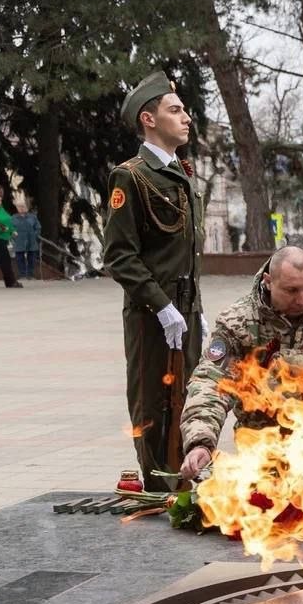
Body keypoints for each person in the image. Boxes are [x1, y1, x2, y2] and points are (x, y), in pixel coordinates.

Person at [178, 246, 303, 479]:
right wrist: (201, 441)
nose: (302, 299)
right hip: (259, 445)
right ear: (269, 281)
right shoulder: (238, 322)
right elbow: (210, 383)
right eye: (291, 290)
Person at [103, 71, 205, 492]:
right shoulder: (131, 177)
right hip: (153, 313)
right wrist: (161, 305)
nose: (186, 119)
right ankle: (159, 484)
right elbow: (118, 256)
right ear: (149, 119)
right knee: (153, 402)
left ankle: (186, 482)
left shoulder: (182, 172)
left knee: (192, 397)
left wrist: (192, 307)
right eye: (175, 110)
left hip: (188, 310)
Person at [0, 192, 21, 288]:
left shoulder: (1, 209)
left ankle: (10, 282)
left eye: (0, 200)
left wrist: (12, 231)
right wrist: (0, 229)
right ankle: (11, 282)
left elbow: (7, 220)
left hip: (3, 238)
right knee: (5, 260)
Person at [11, 198, 40, 280]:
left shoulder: (32, 217)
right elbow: (10, 229)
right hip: (18, 241)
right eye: (19, 206)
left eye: (23, 206)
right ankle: (23, 275)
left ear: (26, 207)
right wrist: (13, 236)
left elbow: (38, 228)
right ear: (17, 208)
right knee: (20, 258)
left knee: (32, 258)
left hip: (31, 241)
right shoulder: (13, 218)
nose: (21, 208)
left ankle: (30, 275)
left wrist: (34, 236)